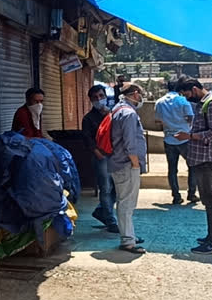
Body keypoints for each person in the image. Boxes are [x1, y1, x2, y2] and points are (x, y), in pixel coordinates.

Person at [175, 77, 212, 255]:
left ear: (195, 89)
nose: (186, 97)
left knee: (210, 200)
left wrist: (189, 137)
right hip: (199, 159)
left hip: (207, 160)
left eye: (187, 93)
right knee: (208, 200)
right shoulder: (202, 105)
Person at [109, 82, 147, 254]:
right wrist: (135, 163)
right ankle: (128, 241)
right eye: (141, 95)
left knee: (125, 202)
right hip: (126, 164)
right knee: (127, 203)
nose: (141, 98)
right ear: (136, 93)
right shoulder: (129, 113)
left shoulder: (117, 109)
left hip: (119, 162)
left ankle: (128, 236)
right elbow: (129, 142)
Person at [82, 85, 118, 233]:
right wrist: (97, 152)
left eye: (101, 96)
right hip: (101, 156)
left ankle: (101, 211)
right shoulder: (88, 119)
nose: (99, 100)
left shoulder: (113, 114)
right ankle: (111, 220)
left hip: (116, 156)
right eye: (95, 97)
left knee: (117, 188)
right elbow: (87, 139)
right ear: (90, 100)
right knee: (106, 188)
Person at [154, 81, 198, 204]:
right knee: (192, 166)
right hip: (184, 138)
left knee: (172, 169)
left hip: (169, 138)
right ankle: (192, 193)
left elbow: (157, 121)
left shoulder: (159, 102)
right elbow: (190, 117)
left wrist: (169, 123)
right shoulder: (183, 101)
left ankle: (176, 196)